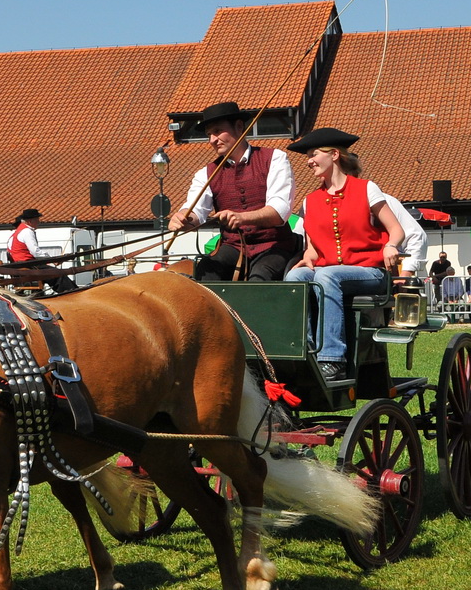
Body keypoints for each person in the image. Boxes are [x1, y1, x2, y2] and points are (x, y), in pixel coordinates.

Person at [283, 128, 405, 382]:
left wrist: (391, 245)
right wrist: (308, 256)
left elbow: (396, 230)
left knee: (327, 276)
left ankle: (331, 358)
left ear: (335, 155)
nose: (309, 161)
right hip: (330, 271)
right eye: (308, 156)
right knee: (294, 279)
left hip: (371, 272)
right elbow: (313, 248)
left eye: (314, 154)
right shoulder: (310, 201)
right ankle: (302, 352)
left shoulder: (366, 189)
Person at [169, 101, 302, 281]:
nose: (212, 140)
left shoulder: (275, 159)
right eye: (209, 134)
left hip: (274, 246)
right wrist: (183, 218)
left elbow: (280, 211)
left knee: (260, 278)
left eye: (217, 131)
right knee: (205, 273)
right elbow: (196, 212)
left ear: (239, 127)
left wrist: (242, 217)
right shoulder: (206, 173)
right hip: (232, 247)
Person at [5, 208, 77, 293]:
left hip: (22, 264)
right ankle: (72, 293)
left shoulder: (18, 232)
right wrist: (52, 260)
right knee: (58, 274)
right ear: (30, 221)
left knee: (53, 272)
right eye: (37, 219)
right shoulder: (27, 232)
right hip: (28, 264)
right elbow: (35, 251)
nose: (39, 222)